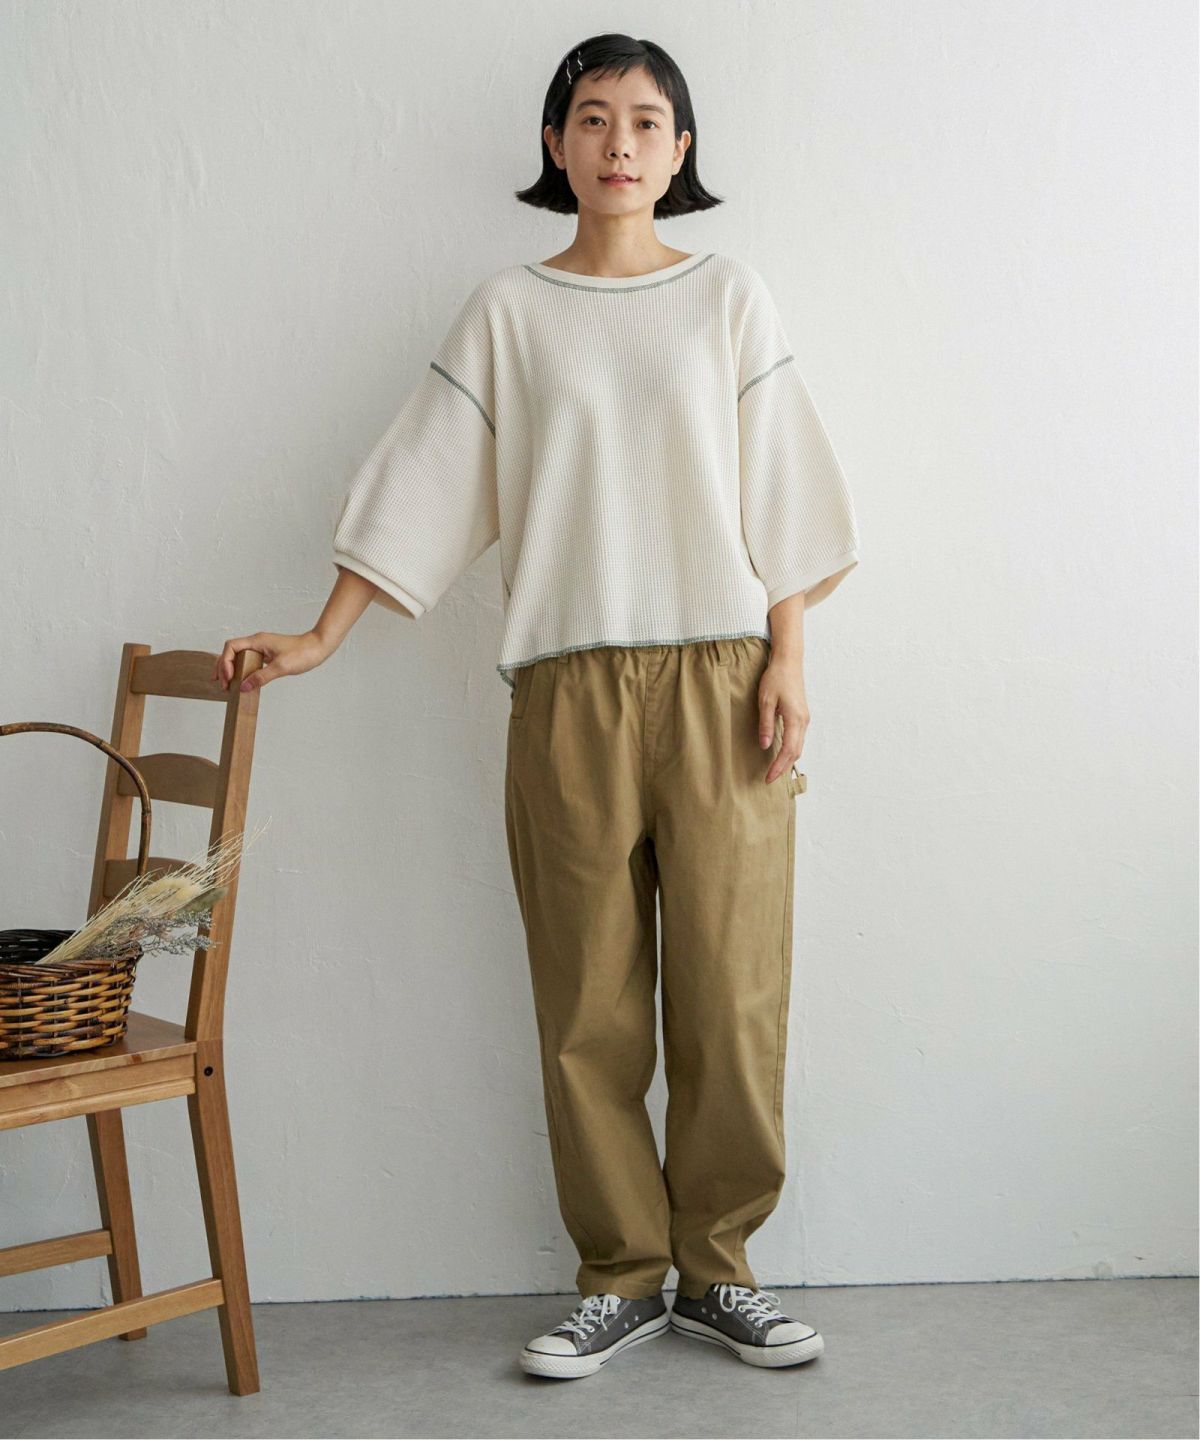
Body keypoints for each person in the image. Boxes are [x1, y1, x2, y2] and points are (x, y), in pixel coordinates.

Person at [213, 33, 859, 1382]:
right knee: (586, 1005)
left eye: (646, 120)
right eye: (592, 117)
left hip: (722, 678)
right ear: (555, 145)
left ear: (680, 151)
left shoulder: (727, 296)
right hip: (565, 686)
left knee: (733, 993)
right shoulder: (508, 312)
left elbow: (783, 486)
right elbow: (427, 476)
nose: (619, 142)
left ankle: (721, 1271)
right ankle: (620, 1275)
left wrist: (789, 654)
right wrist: (323, 635)